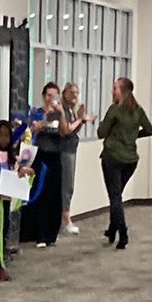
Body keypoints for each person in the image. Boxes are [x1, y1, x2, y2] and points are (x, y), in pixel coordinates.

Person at [96, 76, 152, 250]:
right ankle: (112, 229)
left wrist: (103, 126)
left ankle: (123, 233)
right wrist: (133, 136)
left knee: (115, 197)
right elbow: (150, 130)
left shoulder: (114, 109)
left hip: (113, 157)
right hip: (130, 159)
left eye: (115, 88)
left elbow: (101, 132)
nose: (112, 91)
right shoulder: (138, 110)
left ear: (123, 91)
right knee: (117, 196)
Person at [28, 82, 66, 249]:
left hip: (56, 155)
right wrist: (47, 118)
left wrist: (61, 113)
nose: (52, 99)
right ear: (44, 96)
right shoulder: (37, 113)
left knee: (55, 194)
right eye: (49, 95)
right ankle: (40, 234)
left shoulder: (59, 114)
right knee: (41, 194)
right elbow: (33, 129)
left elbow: (65, 132)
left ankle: (52, 234)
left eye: (55, 96)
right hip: (41, 156)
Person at [59, 82, 92, 235]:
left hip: (71, 148)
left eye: (76, 93)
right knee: (67, 185)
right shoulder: (62, 110)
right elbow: (66, 130)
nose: (74, 96)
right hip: (64, 150)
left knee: (69, 185)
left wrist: (81, 120)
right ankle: (65, 217)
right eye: (71, 93)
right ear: (64, 93)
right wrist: (80, 119)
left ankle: (65, 215)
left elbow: (74, 129)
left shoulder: (70, 110)